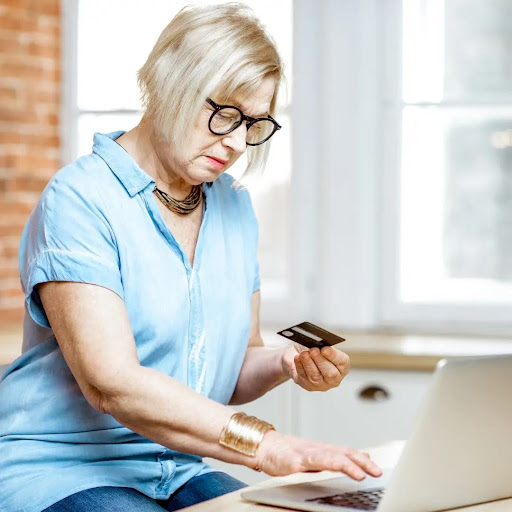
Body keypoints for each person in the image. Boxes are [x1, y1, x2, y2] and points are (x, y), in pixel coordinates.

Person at [0, 4, 381, 512]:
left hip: (175, 466)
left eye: (254, 123)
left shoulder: (234, 207)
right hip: (60, 467)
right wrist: (266, 445)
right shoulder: (79, 200)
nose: (236, 141)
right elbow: (112, 384)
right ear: (168, 81)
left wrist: (284, 362)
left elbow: (231, 367)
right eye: (224, 113)